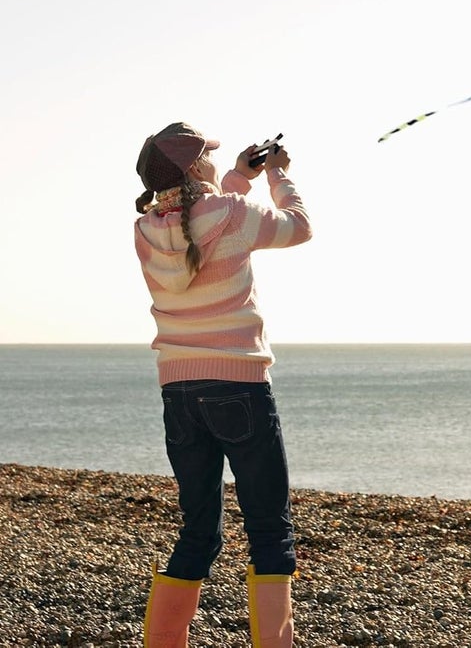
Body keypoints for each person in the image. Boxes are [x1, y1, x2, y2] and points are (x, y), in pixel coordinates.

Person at [133, 121, 312, 648]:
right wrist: (277, 175)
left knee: (198, 531)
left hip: (179, 392)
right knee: (268, 531)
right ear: (194, 168)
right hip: (240, 385)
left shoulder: (144, 230)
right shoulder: (231, 214)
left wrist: (237, 175)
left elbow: (199, 224)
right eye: (207, 157)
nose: (213, 160)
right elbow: (298, 227)